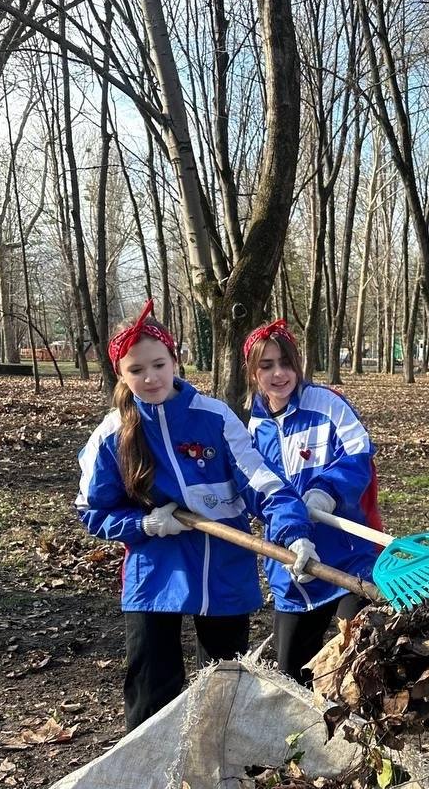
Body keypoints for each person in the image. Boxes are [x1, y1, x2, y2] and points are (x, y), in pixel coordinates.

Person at [76, 301, 319, 730]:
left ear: (175, 361)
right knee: (152, 689)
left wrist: (294, 532)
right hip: (156, 571)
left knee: (225, 688)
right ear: (120, 374)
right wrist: (145, 525)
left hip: (224, 567)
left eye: (158, 364)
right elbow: (93, 510)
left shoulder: (215, 417)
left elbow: (263, 483)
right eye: (136, 370)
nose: (150, 378)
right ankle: (151, 764)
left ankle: (221, 766)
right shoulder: (112, 434)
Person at [245, 319, 381, 685]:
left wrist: (325, 492)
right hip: (293, 569)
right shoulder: (250, 430)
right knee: (292, 676)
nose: (279, 373)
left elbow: (358, 454)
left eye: (286, 363)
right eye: (267, 365)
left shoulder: (327, 404)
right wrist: (291, 531)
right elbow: (255, 493)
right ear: (253, 372)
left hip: (349, 561)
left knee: (360, 667)